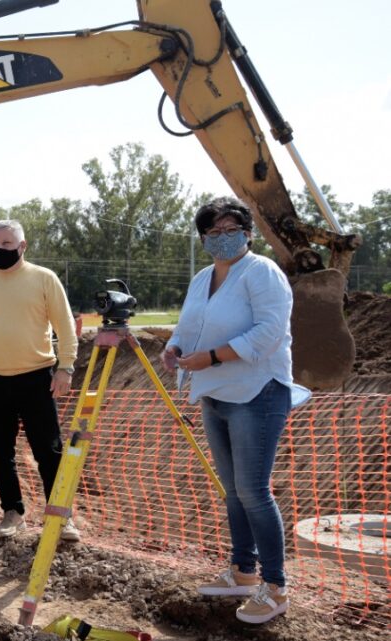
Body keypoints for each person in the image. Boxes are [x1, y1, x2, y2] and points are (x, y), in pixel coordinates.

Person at [162, 197, 309, 625]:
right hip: (216, 395)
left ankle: (276, 587)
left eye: (230, 229)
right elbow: (190, 325)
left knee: (253, 492)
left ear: (247, 232)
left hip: (256, 392)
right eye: (213, 232)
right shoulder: (204, 277)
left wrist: (211, 357)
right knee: (233, 490)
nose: (222, 238)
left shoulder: (261, 272)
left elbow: (268, 332)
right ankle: (243, 572)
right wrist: (176, 347)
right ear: (204, 237)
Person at [0, 219, 80, 541]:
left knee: (49, 452)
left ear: (22, 246)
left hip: (37, 379)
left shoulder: (44, 279)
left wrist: (66, 368)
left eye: (6, 244)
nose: (0, 250)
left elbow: (65, 328)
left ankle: (62, 517)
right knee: (0, 453)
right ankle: (12, 511)